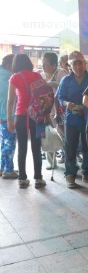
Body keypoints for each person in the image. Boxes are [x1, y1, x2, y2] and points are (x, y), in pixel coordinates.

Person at [7, 54, 47, 189]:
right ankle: (38, 178)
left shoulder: (15, 77)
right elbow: (44, 95)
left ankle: (22, 179)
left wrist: (9, 119)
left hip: (21, 115)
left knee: (22, 147)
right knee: (36, 147)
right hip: (36, 115)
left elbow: (10, 101)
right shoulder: (37, 75)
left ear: (16, 64)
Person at [56, 51, 88, 188]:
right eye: (75, 64)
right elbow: (60, 97)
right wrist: (67, 104)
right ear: (70, 65)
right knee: (70, 146)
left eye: (80, 63)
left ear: (84, 64)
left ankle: (86, 170)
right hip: (71, 118)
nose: (78, 67)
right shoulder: (66, 80)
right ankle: (70, 173)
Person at [40, 51, 68, 170]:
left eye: (46, 64)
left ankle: (68, 160)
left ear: (54, 64)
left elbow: (66, 89)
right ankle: (51, 162)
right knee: (47, 135)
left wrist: (54, 84)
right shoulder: (41, 75)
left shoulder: (61, 73)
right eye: (42, 63)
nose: (43, 66)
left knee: (63, 135)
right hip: (46, 110)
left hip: (59, 111)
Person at [0, 54, 17, 179]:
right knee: (9, 144)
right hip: (8, 116)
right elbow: (11, 100)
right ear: (8, 65)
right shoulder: (8, 77)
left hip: (2, 116)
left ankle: (2, 167)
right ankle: (8, 170)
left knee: (4, 143)